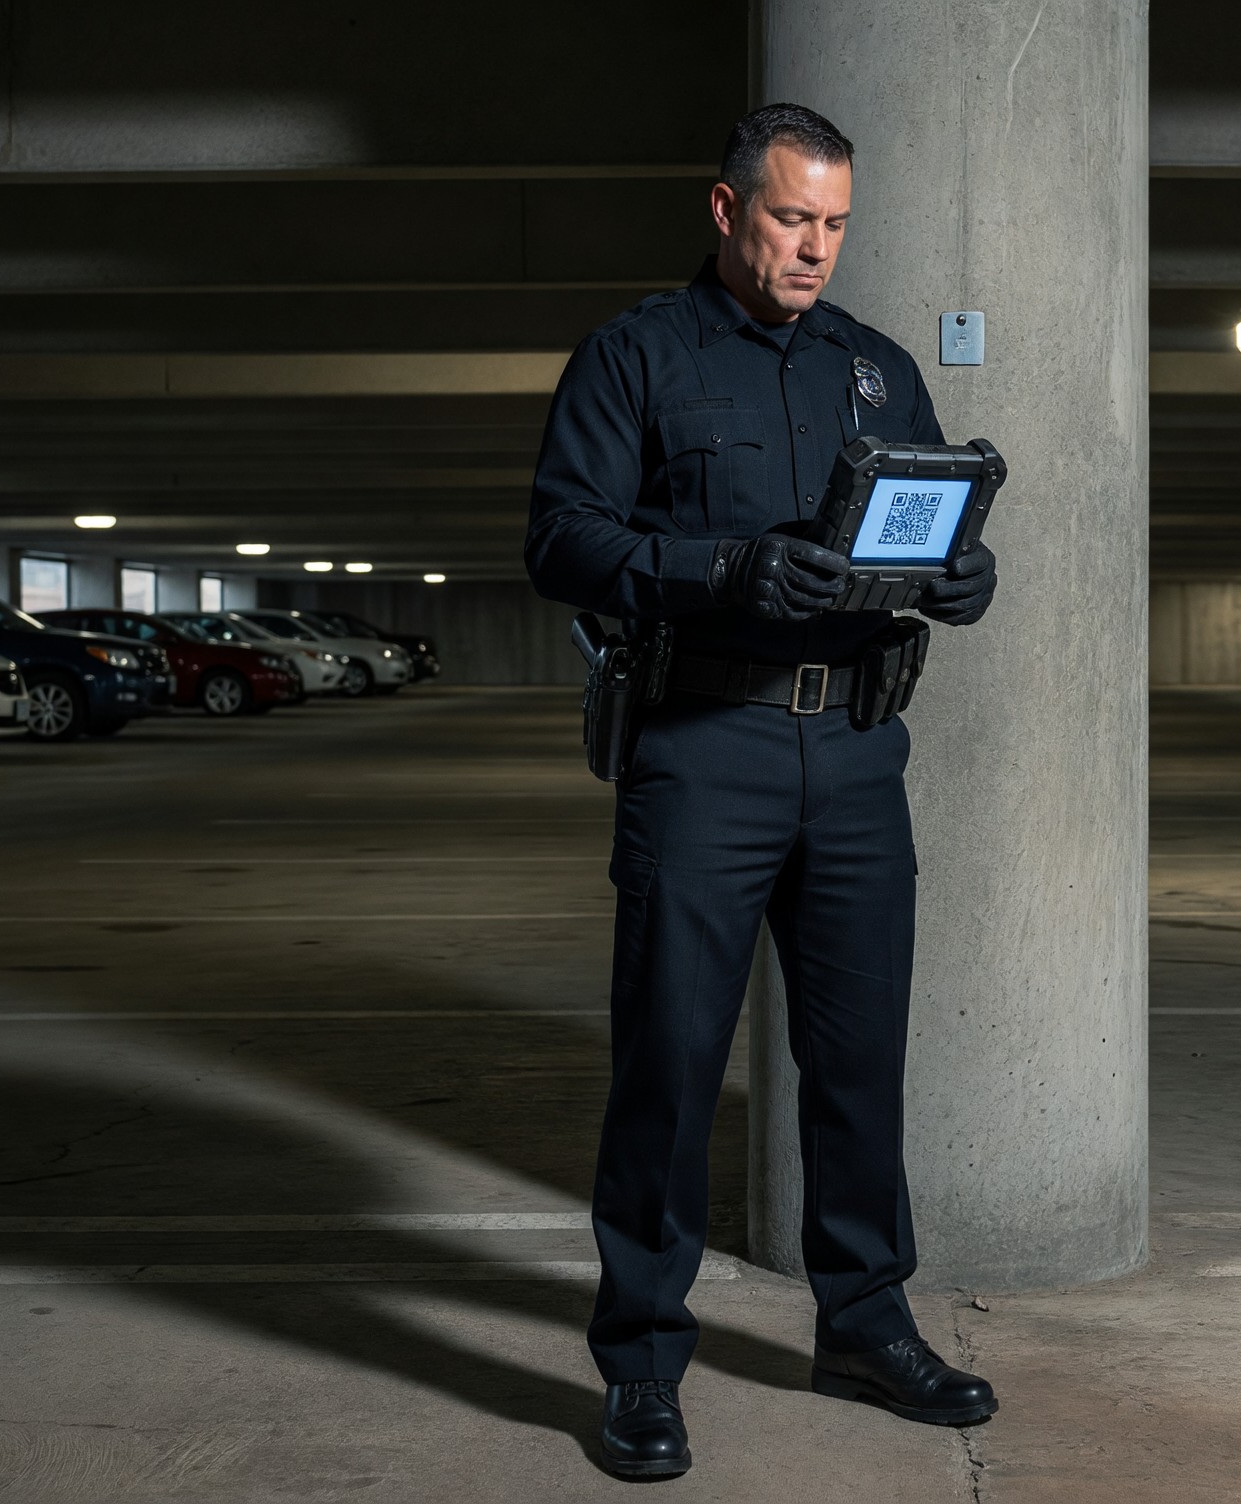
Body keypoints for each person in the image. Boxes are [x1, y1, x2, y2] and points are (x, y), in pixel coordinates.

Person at [523, 102, 1001, 1480]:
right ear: (728, 210)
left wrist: (960, 573)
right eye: (793, 218)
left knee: (857, 1061)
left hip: (854, 753)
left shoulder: (877, 369)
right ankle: (642, 1361)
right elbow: (561, 539)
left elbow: (922, 518)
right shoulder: (636, 357)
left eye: (836, 224)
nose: (816, 247)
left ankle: (865, 1323)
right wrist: (719, 570)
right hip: (704, 750)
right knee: (670, 1065)